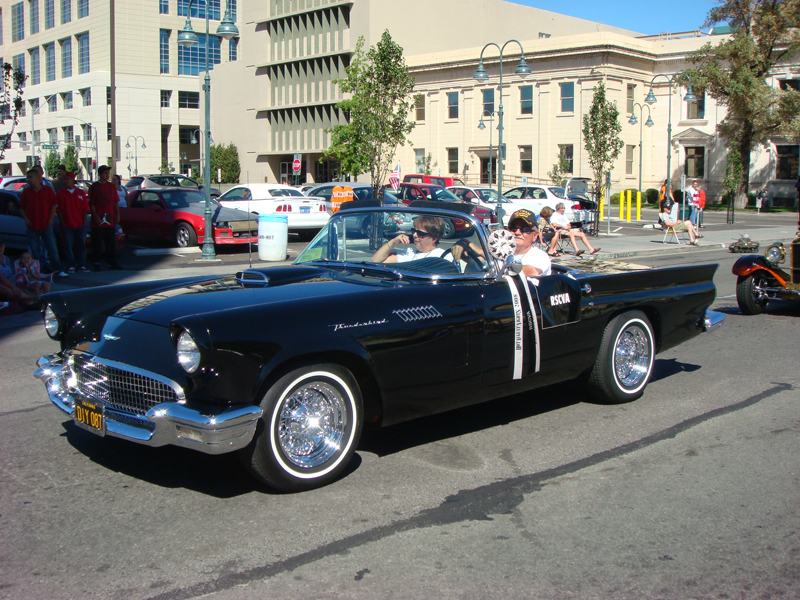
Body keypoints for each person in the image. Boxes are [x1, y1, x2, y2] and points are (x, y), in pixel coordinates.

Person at [19, 167, 67, 276]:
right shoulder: (26, 192)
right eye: (27, 178)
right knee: (35, 250)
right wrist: (26, 219)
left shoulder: (48, 190)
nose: (29, 180)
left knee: (52, 248)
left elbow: (53, 207)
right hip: (32, 225)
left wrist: (50, 221)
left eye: (31, 177)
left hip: (46, 225)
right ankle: (38, 270)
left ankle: (58, 269)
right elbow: (22, 207)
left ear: (37, 178)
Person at [371, 216, 452, 263]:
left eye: (420, 233)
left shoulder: (444, 256)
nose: (415, 235)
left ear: (434, 238)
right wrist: (393, 242)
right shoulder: (408, 254)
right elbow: (376, 260)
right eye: (414, 231)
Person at [89, 165, 122, 270]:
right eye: (105, 173)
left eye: (108, 173)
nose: (107, 175)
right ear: (99, 174)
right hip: (98, 219)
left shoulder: (111, 187)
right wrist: (95, 216)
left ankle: (111, 262)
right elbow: (92, 203)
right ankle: (97, 262)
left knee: (110, 242)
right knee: (97, 242)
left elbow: (115, 202)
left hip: (109, 219)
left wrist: (118, 214)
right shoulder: (94, 187)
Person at [57, 171, 90, 273]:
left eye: (67, 179)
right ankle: (70, 265)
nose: (65, 181)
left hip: (80, 224)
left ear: (72, 180)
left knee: (81, 246)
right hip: (67, 225)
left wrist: (84, 222)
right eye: (64, 179)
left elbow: (85, 209)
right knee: (68, 246)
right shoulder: (60, 194)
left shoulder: (80, 193)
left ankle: (81, 265)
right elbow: (59, 211)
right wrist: (63, 223)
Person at [0, 237, 35, 305]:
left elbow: (9, 276)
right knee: (5, 288)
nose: (0, 248)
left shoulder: (6, 259)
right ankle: (28, 300)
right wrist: (13, 288)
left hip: (6, 283)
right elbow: (2, 278)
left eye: (1, 246)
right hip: (2, 284)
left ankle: (29, 300)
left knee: (17, 285)